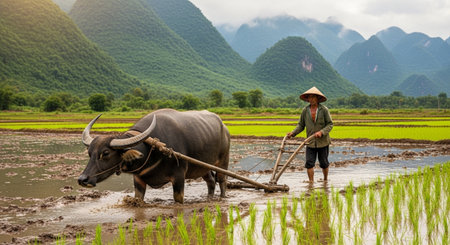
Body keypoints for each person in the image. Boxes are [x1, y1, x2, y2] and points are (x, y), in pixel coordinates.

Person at [286, 86, 333, 182]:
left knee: (324, 163)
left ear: (317, 98)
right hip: (310, 142)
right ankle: (311, 183)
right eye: (309, 97)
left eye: (313, 97)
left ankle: (325, 180)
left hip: (322, 142)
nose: (311, 99)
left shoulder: (324, 110)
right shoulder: (305, 110)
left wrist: (322, 132)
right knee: (309, 163)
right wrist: (292, 133)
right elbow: (301, 125)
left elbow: (330, 124)